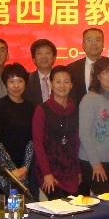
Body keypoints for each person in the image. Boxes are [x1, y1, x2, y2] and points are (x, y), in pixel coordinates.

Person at [0, 63, 37, 202]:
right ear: (5, 84)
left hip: (23, 168)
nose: (16, 85)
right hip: (1, 169)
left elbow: (32, 139)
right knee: (9, 206)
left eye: (20, 81)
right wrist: (12, 171)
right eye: (11, 81)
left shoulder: (29, 106)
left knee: (26, 206)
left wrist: (25, 167)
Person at [78, 57, 109, 195]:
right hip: (92, 161)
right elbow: (84, 134)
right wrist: (95, 163)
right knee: (107, 199)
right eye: (106, 72)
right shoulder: (89, 99)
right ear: (98, 76)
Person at [33, 65, 80, 200]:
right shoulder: (42, 110)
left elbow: (76, 143)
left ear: (71, 85)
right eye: (58, 81)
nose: (62, 86)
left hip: (70, 171)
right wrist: (46, 173)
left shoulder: (75, 109)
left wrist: (78, 170)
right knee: (59, 206)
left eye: (66, 82)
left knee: (75, 207)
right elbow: (38, 144)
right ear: (51, 84)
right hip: (49, 170)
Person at [68, 27, 109, 107]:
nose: (94, 43)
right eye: (89, 40)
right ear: (83, 45)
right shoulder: (72, 68)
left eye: (97, 40)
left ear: (103, 44)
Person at [23, 39, 57, 107]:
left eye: (47, 53)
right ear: (33, 59)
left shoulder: (63, 80)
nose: (44, 57)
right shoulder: (27, 81)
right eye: (39, 53)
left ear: (54, 57)